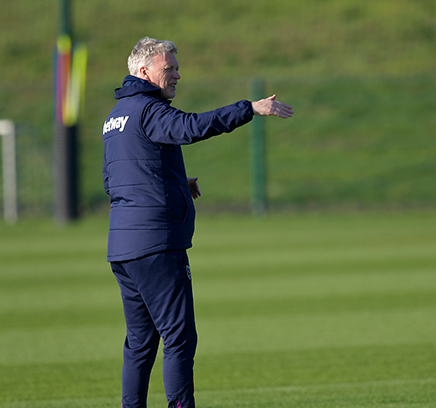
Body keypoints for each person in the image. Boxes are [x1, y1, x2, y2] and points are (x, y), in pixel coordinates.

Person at [102, 37, 293, 408]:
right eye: (168, 68)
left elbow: (116, 182)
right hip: (156, 244)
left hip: (123, 247)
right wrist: (249, 109)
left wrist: (175, 185)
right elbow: (191, 128)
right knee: (178, 339)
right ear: (144, 72)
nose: (177, 74)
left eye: (176, 66)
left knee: (140, 342)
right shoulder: (149, 110)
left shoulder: (115, 118)